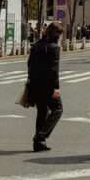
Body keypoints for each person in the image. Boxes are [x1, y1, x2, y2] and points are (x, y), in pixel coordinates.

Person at [26, 21, 62, 152]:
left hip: (35, 84)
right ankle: (40, 136)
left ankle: (39, 143)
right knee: (58, 110)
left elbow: (29, 64)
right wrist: (56, 88)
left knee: (42, 111)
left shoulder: (37, 45)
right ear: (56, 34)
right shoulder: (54, 48)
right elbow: (54, 70)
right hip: (48, 85)